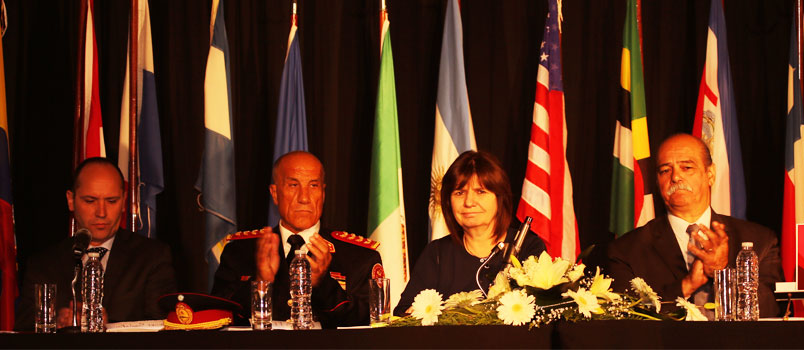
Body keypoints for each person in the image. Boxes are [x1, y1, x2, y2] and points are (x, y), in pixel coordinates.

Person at [606, 133, 783, 317]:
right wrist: (687, 285)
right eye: (665, 170)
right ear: (657, 181)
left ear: (710, 175)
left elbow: (772, 312)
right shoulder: (626, 250)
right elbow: (626, 319)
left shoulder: (760, 240)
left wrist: (722, 274)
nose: (675, 177)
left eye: (687, 167)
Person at [211, 151, 383, 327]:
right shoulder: (239, 252)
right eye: (293, 185)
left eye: (313, 186)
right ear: (275, 193)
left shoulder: (359, 256)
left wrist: (323, 285)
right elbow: (217, 319)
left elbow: (370, 324)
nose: (304, 198)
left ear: (323, 194)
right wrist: (260, 282)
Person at [15, 157, 177, 330]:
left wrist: (107, 324)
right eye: (90, 201)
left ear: (123, 201)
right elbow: (22, 328)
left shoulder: (152, 257)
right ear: (71, 200)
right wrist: (57, 322)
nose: (101, 212)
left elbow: (164, 327)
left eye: (111, 201)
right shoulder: (44, 265)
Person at [394, 151, 546, 315]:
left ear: (499, 198)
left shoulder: (529, 247)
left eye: (480, 192)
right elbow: (403, 313)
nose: (468, 202)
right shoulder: (437, 253)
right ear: (447, 201)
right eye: (459, 193)